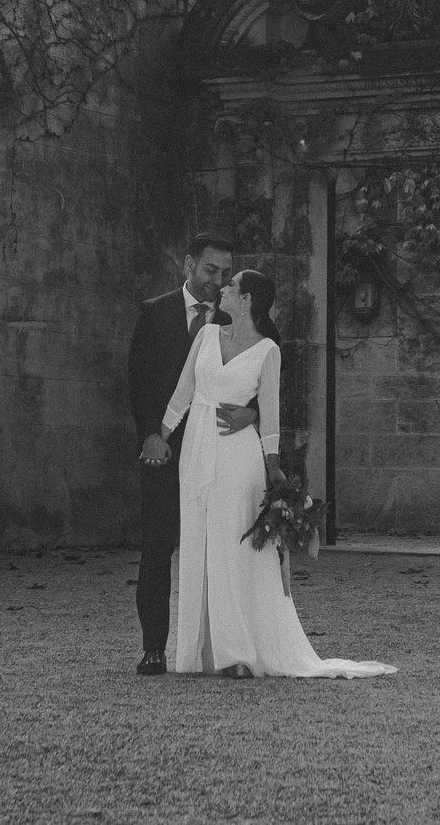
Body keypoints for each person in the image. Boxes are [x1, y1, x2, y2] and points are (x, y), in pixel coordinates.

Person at [160, 268, 395, 679]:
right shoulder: (207, 335)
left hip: (238, 458)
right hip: (195, 449)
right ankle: (204, 652)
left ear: (248, 298)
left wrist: (273, 470)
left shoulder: (268, 350)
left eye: (231, 285)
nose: (223, 289)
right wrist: (159, 436)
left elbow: (270, 415)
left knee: (233, 548)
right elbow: (182, 392)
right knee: (198, 542)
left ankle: (238, 653)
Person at [127, 233, 255, 676]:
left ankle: (222, 649)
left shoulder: (238, 314)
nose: (217, 283)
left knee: (222, 550)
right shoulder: (154, 313)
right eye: (209, 271)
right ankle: (154, 648)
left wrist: (252, 413)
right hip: (165, 451)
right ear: (187, 266)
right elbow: (139, 382)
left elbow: (266, 374)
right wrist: (150, 435)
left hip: (220, 452)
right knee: (158, 546)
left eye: (225, 274)